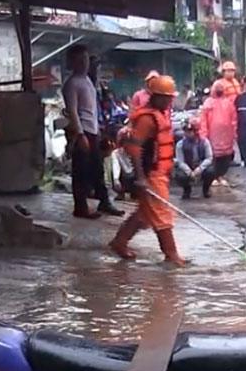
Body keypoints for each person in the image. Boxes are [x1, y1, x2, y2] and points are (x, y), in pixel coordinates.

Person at [108, 74, 185, 265]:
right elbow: (135, 148)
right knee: (161, 213)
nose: (170, 101)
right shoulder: (147, 119)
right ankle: (171, 254)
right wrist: (141, 177)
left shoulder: (159, 114)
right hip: (150, 174)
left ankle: (119, 242)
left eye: (171, 98)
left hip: (160, 171)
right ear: (156, 96)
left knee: (145, 214)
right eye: (167, 97)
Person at [62, 44, 123, 219]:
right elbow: (73, 111)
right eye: (79, 59)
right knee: (81, 171)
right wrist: (80, 134)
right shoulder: (72, 83)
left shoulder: (87, 80)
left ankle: (104, 201)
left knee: (97, 169)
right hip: (82, 131)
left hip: (93, 129)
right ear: (71, 62)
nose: (84, 63)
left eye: (86, 59)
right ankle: (80, 207)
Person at [199, 81, 238, 185]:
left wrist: (234, 133)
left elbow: (234, 119)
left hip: (226, 135)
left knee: (225, 158)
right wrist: (204, 134)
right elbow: (203, 120)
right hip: (212, 135)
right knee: (213, 157)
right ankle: (213, 177)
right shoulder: (208, 102)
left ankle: (221, 176)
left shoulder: (228, 102)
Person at [174, 118, 215, 199]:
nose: (186, 133)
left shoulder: (204, 142)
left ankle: (206, 189)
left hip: (200, 167)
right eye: (185, 131)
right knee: (179, 175)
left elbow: (209, 158)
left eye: (189, 131)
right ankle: (187, 190)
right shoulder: (180, 144)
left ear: (196, 131)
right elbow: (180, 161)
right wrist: (189, 171)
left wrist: (199, 169)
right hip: (188, 167)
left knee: (211, 171)